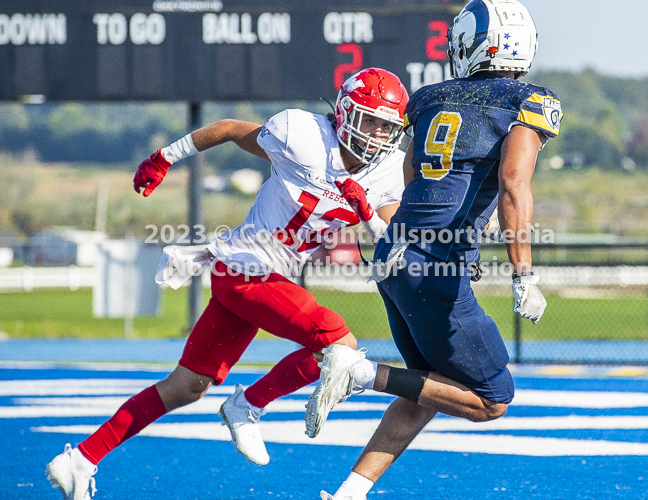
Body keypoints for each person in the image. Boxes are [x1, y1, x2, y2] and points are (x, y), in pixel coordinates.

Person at [45, 67, 409, 500]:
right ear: (346, 111)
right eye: (370, 120)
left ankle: (81, 459)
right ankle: (248, 405)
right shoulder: (304, 134)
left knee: (187, 386)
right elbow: (231, 129)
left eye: (386, 125)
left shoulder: (386, 171)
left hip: (270, 280)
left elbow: (389, 247)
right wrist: (165, 156)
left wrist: (366, 210)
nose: (376, 133)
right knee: (339, 345)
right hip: (245, 268)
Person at [304, 1, 563, 498]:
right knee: (492, 399)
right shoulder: (529, 100)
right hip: (434, 265)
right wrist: (523, 273)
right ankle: (359, 371)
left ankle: (352, 491)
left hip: (395, 255)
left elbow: (411, 181)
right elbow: (514, 185)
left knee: (429, 385)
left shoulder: (427, 98)